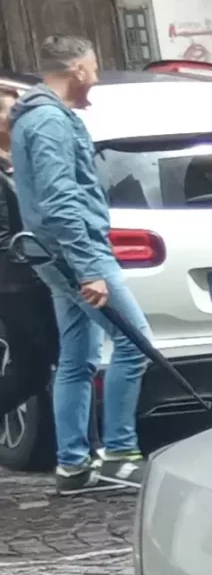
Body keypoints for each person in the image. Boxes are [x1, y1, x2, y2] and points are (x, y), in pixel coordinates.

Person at [10, 35, 147, 494]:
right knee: (133, 343)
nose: (97, 76)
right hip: (74, 253)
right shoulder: (49, 121)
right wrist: (89, 267)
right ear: (77, 70)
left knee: (78, 356)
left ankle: (73, 464)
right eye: (94, 67)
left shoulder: (43, 117)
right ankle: (120, 455)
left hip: (57, 253)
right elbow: (60, 200)